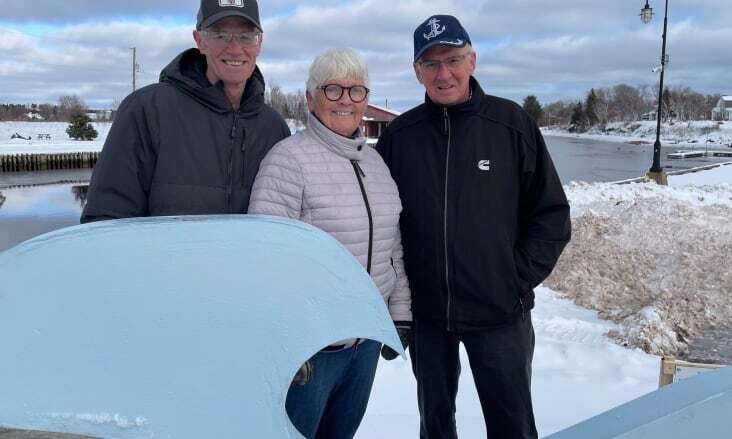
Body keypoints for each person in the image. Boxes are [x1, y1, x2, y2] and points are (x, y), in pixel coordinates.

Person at [377, 15, 571, 439]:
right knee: (435, 424)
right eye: (430, 64)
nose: (443, 73)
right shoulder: (400, 137)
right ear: (416, 72)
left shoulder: (510, 124)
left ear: (472, 60)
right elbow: (381, 221)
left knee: (512, 425)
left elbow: (551, 215)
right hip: (428, 316)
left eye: (452, 59)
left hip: (499, 315)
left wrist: (514, 279)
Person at [248, 47, 412, 439]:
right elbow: (264, 262)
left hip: (365, 345)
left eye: (356, 91)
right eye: (333, 89)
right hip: (313, 354)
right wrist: (290, 344)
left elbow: (393, 248)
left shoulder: (375, 164)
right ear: (310, 98)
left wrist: (400, 316)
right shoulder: (288, 160)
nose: (346, 101)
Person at [81, 0, 289, 223]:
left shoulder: (274, 129)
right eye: (219, 35)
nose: (235, 48)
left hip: (249, 258)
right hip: (165, 258)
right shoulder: (147, 111)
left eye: (246, 36)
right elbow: (105, 221)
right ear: (200, 41)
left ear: (259, 43)